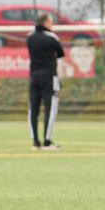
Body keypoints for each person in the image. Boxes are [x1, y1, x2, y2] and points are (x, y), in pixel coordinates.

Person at [27, 13, 64, 151]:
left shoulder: (30, 37)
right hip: (49, 77)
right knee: (51, 108)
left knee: (33, 109)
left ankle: (35, 142)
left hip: (33, 77)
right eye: (51, 22)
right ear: (46, 22)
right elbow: (60, 53)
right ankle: (47, 142)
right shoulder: (52, 37)